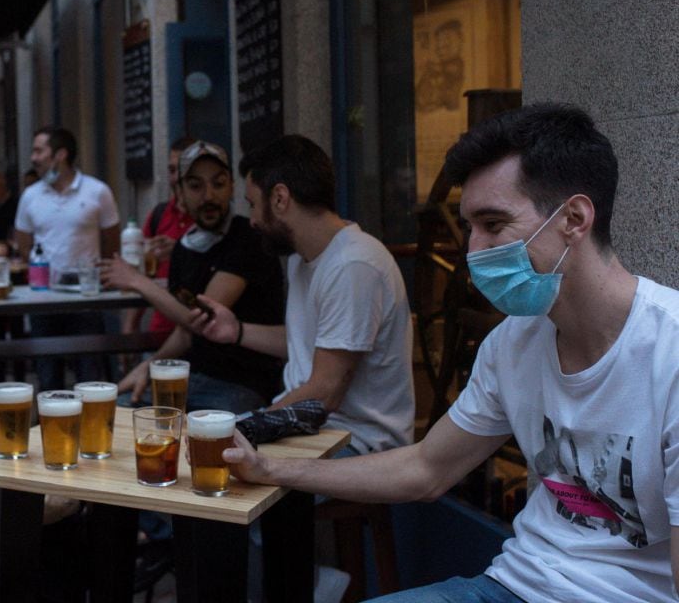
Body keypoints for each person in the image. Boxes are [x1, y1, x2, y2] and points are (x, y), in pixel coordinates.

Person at [221, 105, 679, 602]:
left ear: (573, 218)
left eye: (493, 224)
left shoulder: (668, 352)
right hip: (511, 587)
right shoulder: (512, 343)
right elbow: (426, 468)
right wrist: (272, 471)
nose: (473, 249)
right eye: (469, 227)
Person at [197, 134, 414, 454]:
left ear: (280, 198)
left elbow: (325, 393)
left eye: (253, 204)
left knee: (213, 464)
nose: (253, 220)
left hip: (356, 442)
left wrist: (245, 428)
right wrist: (237, 331)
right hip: (311, 428)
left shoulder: (353, 265)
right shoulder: (303, 257)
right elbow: (308, 341)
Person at [102, 140, 285, 412]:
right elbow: (186, 332)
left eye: (219, 184)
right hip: (188, 378)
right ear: (180, 194)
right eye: (196, 186)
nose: (209, 196)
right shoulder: (185, 247)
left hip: (242, 384)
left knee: (202, 436)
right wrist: (150, 365)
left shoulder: (247, 237)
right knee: (117, 412)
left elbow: (202, 317)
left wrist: (137, 281)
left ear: (232, 188)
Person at [14, 126, 121, 390]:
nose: (33, 158)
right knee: (48, 379)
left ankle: (92, 431)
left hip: (85, 300)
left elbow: (111, 243)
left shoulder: (97, 191)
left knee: (90, 378)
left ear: (60, 155)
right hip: (43, 302)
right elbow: (24, 245)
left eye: (39, 151)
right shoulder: (30, 196)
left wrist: (95, 276)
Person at [120, 136, 196, 339]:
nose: (177, 177)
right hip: (161, 329)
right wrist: (130, 325)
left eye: (184, 169)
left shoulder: (212, 220)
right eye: (172, 170)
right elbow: (142, 274)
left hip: (197, 333)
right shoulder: (159, 214)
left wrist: (179, 251)